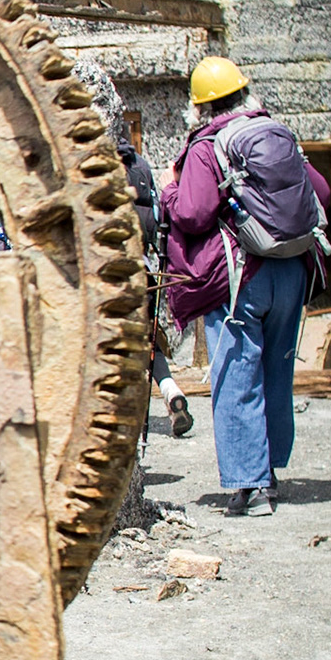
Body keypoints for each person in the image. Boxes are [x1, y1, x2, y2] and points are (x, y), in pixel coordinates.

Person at [160, 56, 331, 518]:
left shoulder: (206, 145)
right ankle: (269, 473)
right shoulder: (276, 132)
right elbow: (321, 191)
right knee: (276, 371)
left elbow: (194, 212)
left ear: (199, 107)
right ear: (243, 93)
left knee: (236, 376)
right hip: (292, 271)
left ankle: (249, 487)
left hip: (243, 277)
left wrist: (168, 192)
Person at [120, 129, 195, 439]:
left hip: (113, 276)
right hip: (146, 271)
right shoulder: (142, 166)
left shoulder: (95, 167)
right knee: (149, 343)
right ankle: (171, 392)